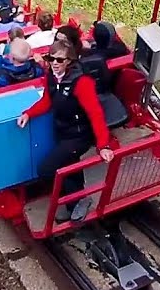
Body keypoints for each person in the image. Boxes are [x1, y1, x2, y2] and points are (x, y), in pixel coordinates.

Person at [17, 40, 114, 222]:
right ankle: (75, 202)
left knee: (46, 169)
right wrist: (29, 114)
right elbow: (47, 101)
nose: (54, 63)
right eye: (51, 58)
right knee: (69, 165)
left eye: (60, 60)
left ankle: (77, 200)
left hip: (78, 135)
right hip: (62, 131)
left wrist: (103, 145)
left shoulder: (82, 83)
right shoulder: (51, 77)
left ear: (69, 61)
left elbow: (96, 114)